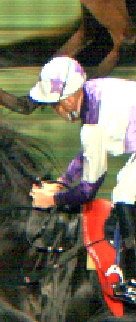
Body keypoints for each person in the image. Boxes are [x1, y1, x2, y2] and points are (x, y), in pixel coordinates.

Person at [30, 56, 136, 304]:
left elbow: (88, 191)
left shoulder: (92, 123)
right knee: (125, 183)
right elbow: (87, 152)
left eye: (55, 106)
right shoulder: (92, 92)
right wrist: (63, 181)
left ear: (68, 100)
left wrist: (53, 200)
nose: (56, 111)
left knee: (124, 193)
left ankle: (134, 279)